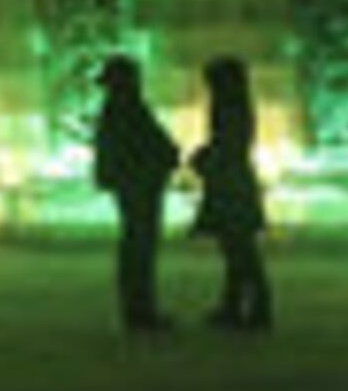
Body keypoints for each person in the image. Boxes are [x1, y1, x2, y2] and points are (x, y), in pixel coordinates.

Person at [89, 54, 180, 336]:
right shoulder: (129, 108)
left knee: (134, 245)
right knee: (140, 246)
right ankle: (141, 310)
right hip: (140, 185)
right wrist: (168, 158)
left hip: (130, 184)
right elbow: (153, 142)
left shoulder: (115, 109)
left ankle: (137, 308)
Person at [191, 55, 271, 333]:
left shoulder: (228, 109)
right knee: (238, 248)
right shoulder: (237, 107)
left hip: (229, 185)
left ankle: (254, 306)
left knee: (239, 248)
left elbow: (228, 145)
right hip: (234, 182)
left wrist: (205, 158)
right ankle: (237, 304)